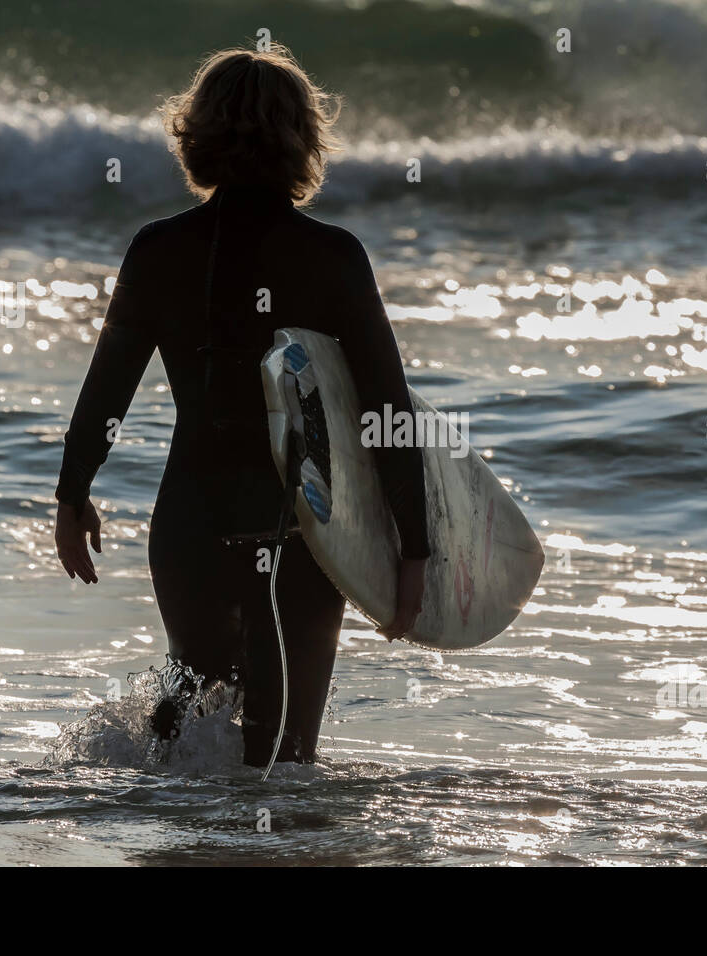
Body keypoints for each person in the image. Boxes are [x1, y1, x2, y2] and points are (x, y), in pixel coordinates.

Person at [53, 45, 429, 766]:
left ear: (194, 137)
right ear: (303, 139)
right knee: (285, 759)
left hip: (191, 521)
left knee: (191, 740)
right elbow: (386, 412)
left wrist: (73, 492)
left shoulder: (156, 249)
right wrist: (413, 547)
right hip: (302, 526)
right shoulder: (334, 256)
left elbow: (107, 393)